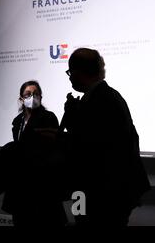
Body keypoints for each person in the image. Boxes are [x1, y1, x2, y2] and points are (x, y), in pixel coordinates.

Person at [62, 48, 150, 226]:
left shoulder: (102, 100)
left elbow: (90, 148)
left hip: (103, 195)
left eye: (70, 72)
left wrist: (71, 125)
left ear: (79, 72)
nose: (70, 77)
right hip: (103, 193)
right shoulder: (104, 97)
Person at [0, 80, 67, 226]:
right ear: (21, 99)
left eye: (36, 94)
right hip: (20, 184)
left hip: (42, 182)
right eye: (28, 94)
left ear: (41, 97)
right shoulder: (17, 121)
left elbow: (49, 148)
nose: (32, 97)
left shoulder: (48, 117)